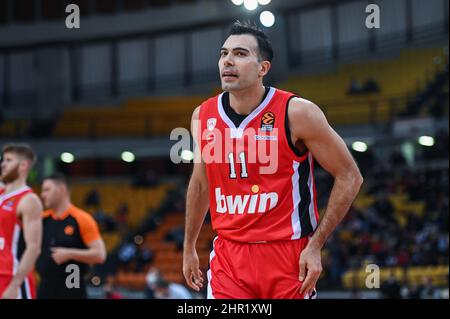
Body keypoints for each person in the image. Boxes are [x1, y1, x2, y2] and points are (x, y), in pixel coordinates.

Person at [183, 21, 363, 299]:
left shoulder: (298, 113)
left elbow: (350, 175)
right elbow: (200, 185)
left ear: (262, 68)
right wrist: (189, 246)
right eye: (223, 53)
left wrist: (316, 245)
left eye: (240, 54)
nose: (228, 60)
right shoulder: (202, 116)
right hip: (230, 259)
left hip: (288, 256)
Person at [37, 173, 106, 299]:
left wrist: (69, 253)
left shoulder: (82, 219)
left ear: (62, 189)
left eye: (47, 189)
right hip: (45, 284)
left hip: (71, 282)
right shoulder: (42, 219)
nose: (42, 194)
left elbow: (100, 255)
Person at [0, 143, 43, 299]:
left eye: (9, 160)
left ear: (23, 165)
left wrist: (14, 285)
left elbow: (34, 248)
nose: (3, 164)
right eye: (3, 160)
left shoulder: (28, 200)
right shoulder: (2, 195)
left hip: (11, 277)